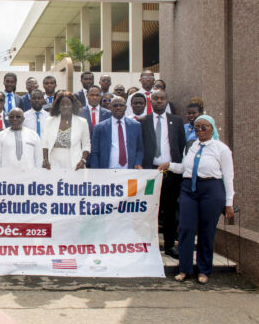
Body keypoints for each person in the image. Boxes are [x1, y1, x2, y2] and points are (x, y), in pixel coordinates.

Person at [158, 115, 235, 284]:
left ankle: (203, 270)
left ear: (212, 128)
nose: (200, 131)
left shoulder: (221, 149)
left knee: (206, 231)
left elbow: (228, 177)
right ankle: (184, 268)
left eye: (204, 127)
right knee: (186, 228)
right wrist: (169, 165)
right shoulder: (191, 147)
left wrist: (229, 203)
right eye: (197, 128)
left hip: (211, 189)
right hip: (189, 190)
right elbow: (184, 168)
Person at [140, 90, 186, 258]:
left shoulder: (177, 121)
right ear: (151, 101)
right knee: (148, 210)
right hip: (150, 173)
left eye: (162, 98)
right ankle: (147, 245)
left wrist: (178, 167)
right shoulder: (142, 121)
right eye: (155, 98)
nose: (159, 101)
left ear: (167, 101)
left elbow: (181, 146)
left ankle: (169, 245)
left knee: (170, 210)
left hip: (170, 173)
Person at [90, 97, 144, 169]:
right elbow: (94, 152)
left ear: (125, 107)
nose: (118, 108)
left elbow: (139, 149)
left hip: (129, 170)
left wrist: (137, 163)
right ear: (110, 108)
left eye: (121, 105)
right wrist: (95, 170)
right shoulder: (100, 127)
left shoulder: (135, 125)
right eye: (115, 105)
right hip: (107, 170)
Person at [42, 92, 90, 170]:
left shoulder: (82, 122)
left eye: (68, 104)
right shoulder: (49, 121)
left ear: (73, 105)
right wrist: (45, 159)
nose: (65, 107)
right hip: (53, 162)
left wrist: (83, 161)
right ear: (58, 106)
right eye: (62, 104)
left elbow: (86, 145)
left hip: (75, 163)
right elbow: (45, 143)